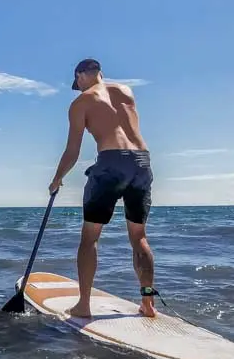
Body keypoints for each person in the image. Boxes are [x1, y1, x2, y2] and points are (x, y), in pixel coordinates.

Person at [48, 58, 157, 318]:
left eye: (77, 83)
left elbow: (72, 151)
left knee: (89, 239)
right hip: (142, 162)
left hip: (111, 163)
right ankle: (148, 304)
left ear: (80, 75)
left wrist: (56, 179)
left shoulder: (81, 103)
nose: (79, 88)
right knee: (139, 237)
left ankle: (83, 305)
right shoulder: (126, 92)